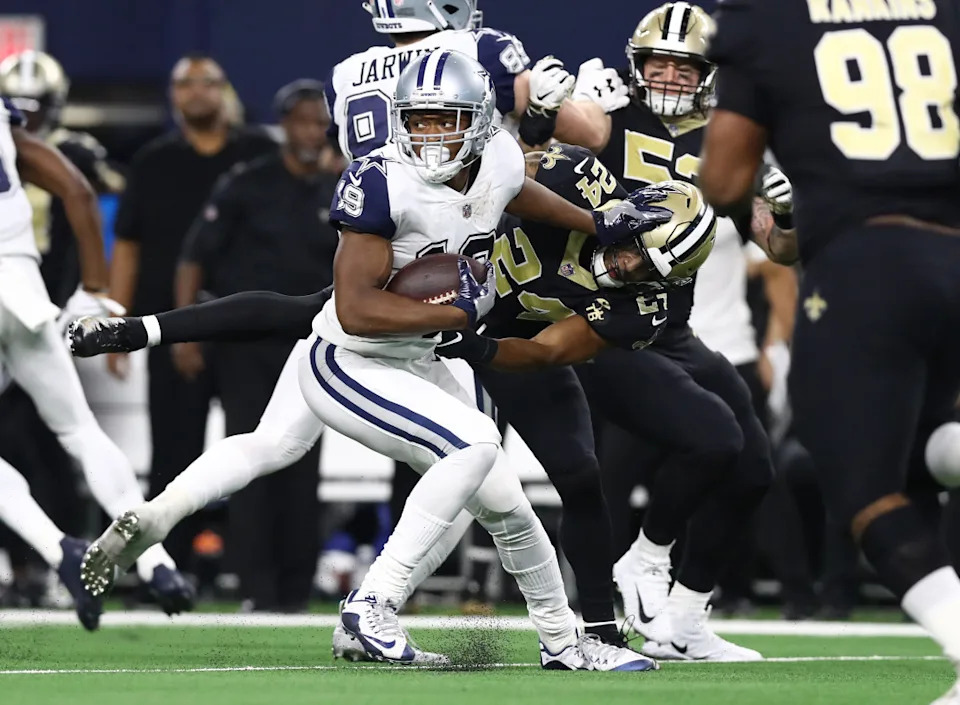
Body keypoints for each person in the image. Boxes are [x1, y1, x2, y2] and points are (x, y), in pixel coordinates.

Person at [78, 50, 667, 671]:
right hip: (352, 358)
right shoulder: (382, 180)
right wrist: (455, 314)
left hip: (417, 356)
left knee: (504, 502)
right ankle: (372, 606)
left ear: (481, 120)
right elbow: (355, 310)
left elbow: (518, 193)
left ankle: (564, 642)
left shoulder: (496, 154)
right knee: (472, 446)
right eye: (418, 120)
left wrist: (595, 221)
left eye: (446, 120)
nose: (430, 134)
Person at [700, 0, 960, 701]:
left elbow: (723, 180)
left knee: (862, 483)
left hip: (864, 263)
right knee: (926, 449)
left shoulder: (768, 20)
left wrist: (780, 199)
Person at [0, 94, 192, 616]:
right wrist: (93, 287)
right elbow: (77, 190)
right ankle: (159, 566)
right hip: (21, 288)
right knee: (79, 430)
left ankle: (59, 549)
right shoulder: (8, 125)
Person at [173, 79, 341, 611]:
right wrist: (188, 331)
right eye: (306, 120)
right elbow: (193, 257)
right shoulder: (248, 182)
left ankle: (294, 592)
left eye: (322, 122)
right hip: (248, 348)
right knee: (249, 458)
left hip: (312, 347)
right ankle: (254, 588)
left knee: (302, 468)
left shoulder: (344, 189)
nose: (314, 130)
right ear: (285, 124)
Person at [108, 54, 275, 567]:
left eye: (208, 83)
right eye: (186, 84)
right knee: (173, 450)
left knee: (257, 449)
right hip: (170, 326)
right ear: (173, 95)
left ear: (225, 90)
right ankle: (166, 567)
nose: (197, 92)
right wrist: (117, 320)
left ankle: (254, 575)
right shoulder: (153, 161)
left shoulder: (261, 153)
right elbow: (129, 244)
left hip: (250, 327)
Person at [327, 0, 602, 158]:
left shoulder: (343, 75)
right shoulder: (480, 49)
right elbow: (591, 135)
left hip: (378, 238)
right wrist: (590, 98)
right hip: (469, 234)